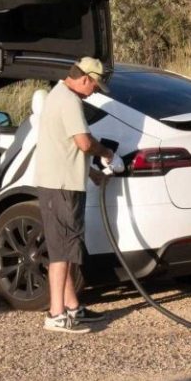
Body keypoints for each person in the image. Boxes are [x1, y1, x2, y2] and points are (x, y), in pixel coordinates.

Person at [35, 56, 115, 333]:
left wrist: (91, 174)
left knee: (66, 248)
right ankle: (56, 314)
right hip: (61, 188)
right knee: (61, 251)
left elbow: (65, 146)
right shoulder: (69, 101)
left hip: (59, 183)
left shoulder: (58, 95)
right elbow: (82, 142)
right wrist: (106, 152)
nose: (94, 91)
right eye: (95, 85)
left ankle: (71, 307)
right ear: (84, 79)